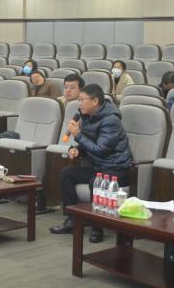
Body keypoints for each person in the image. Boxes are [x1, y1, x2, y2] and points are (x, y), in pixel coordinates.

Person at [50, 84, 133, 242]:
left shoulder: (111, 120)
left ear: (95, 101)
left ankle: (97, 227)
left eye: (82, 100)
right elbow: (89, 145)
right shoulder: (87, 117)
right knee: (66, 174)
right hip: (98, 166)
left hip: (116, 168)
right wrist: (77, 150)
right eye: (79, 100)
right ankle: (72, 219)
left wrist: (78, 135)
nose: (79, 103)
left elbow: (100, 149)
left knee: (95, 181)